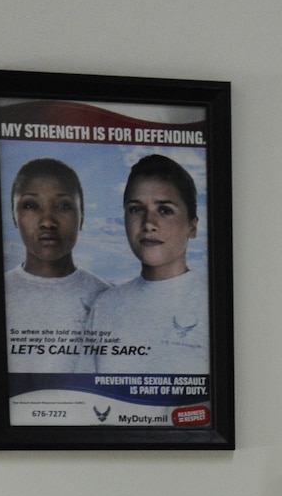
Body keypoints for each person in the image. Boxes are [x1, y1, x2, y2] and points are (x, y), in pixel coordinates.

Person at [86, 154, 209, 377]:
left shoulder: (209, 303)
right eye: (135, 209)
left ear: (192, 227)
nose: (148, 224)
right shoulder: (105, 306)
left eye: (165, 210)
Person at [3, 158, 109, 376]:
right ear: (14, 216)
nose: (48, 221)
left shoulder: (106, 298)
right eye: (31, 205)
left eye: (63, 206)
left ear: (82, 216)